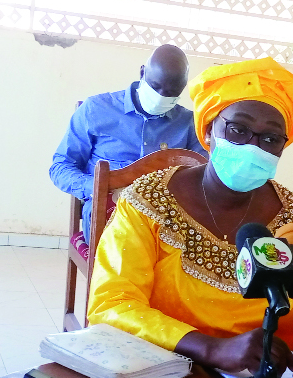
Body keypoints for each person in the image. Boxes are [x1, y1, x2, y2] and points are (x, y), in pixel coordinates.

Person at [87, 57, 293, 378]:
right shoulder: (149, 202)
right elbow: (112, 304)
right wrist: (211, 348)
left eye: (271, 139)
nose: (253, 146)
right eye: (238, 129)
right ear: (209, 129)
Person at [48, 44, 206, 259]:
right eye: (155, 86)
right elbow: (61, 166)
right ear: (142, 72)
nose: (161, 96)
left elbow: (204, 176)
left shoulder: (189, 124)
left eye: (171, 93)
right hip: (107, 213)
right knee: (127, 259)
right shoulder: (96, 109)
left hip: (165, 217)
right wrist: (97, 188)